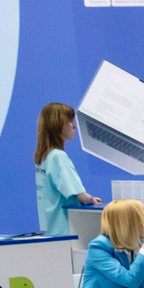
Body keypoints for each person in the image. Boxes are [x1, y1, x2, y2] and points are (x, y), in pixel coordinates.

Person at [35, 102, 101, 237]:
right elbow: (81, 196)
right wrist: (92, 201)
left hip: (50, 230)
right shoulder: (58, 157)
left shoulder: (43, 158)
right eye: (70, 121)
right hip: (65, 232)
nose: (74, 126)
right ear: (60, 126)